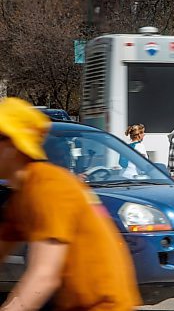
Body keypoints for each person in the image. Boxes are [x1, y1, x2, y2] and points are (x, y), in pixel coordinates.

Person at [0, 97, 140, 310]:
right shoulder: (22, 194)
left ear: (13, 145)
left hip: (101, 305)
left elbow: (44, 276)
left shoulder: (48, 186)